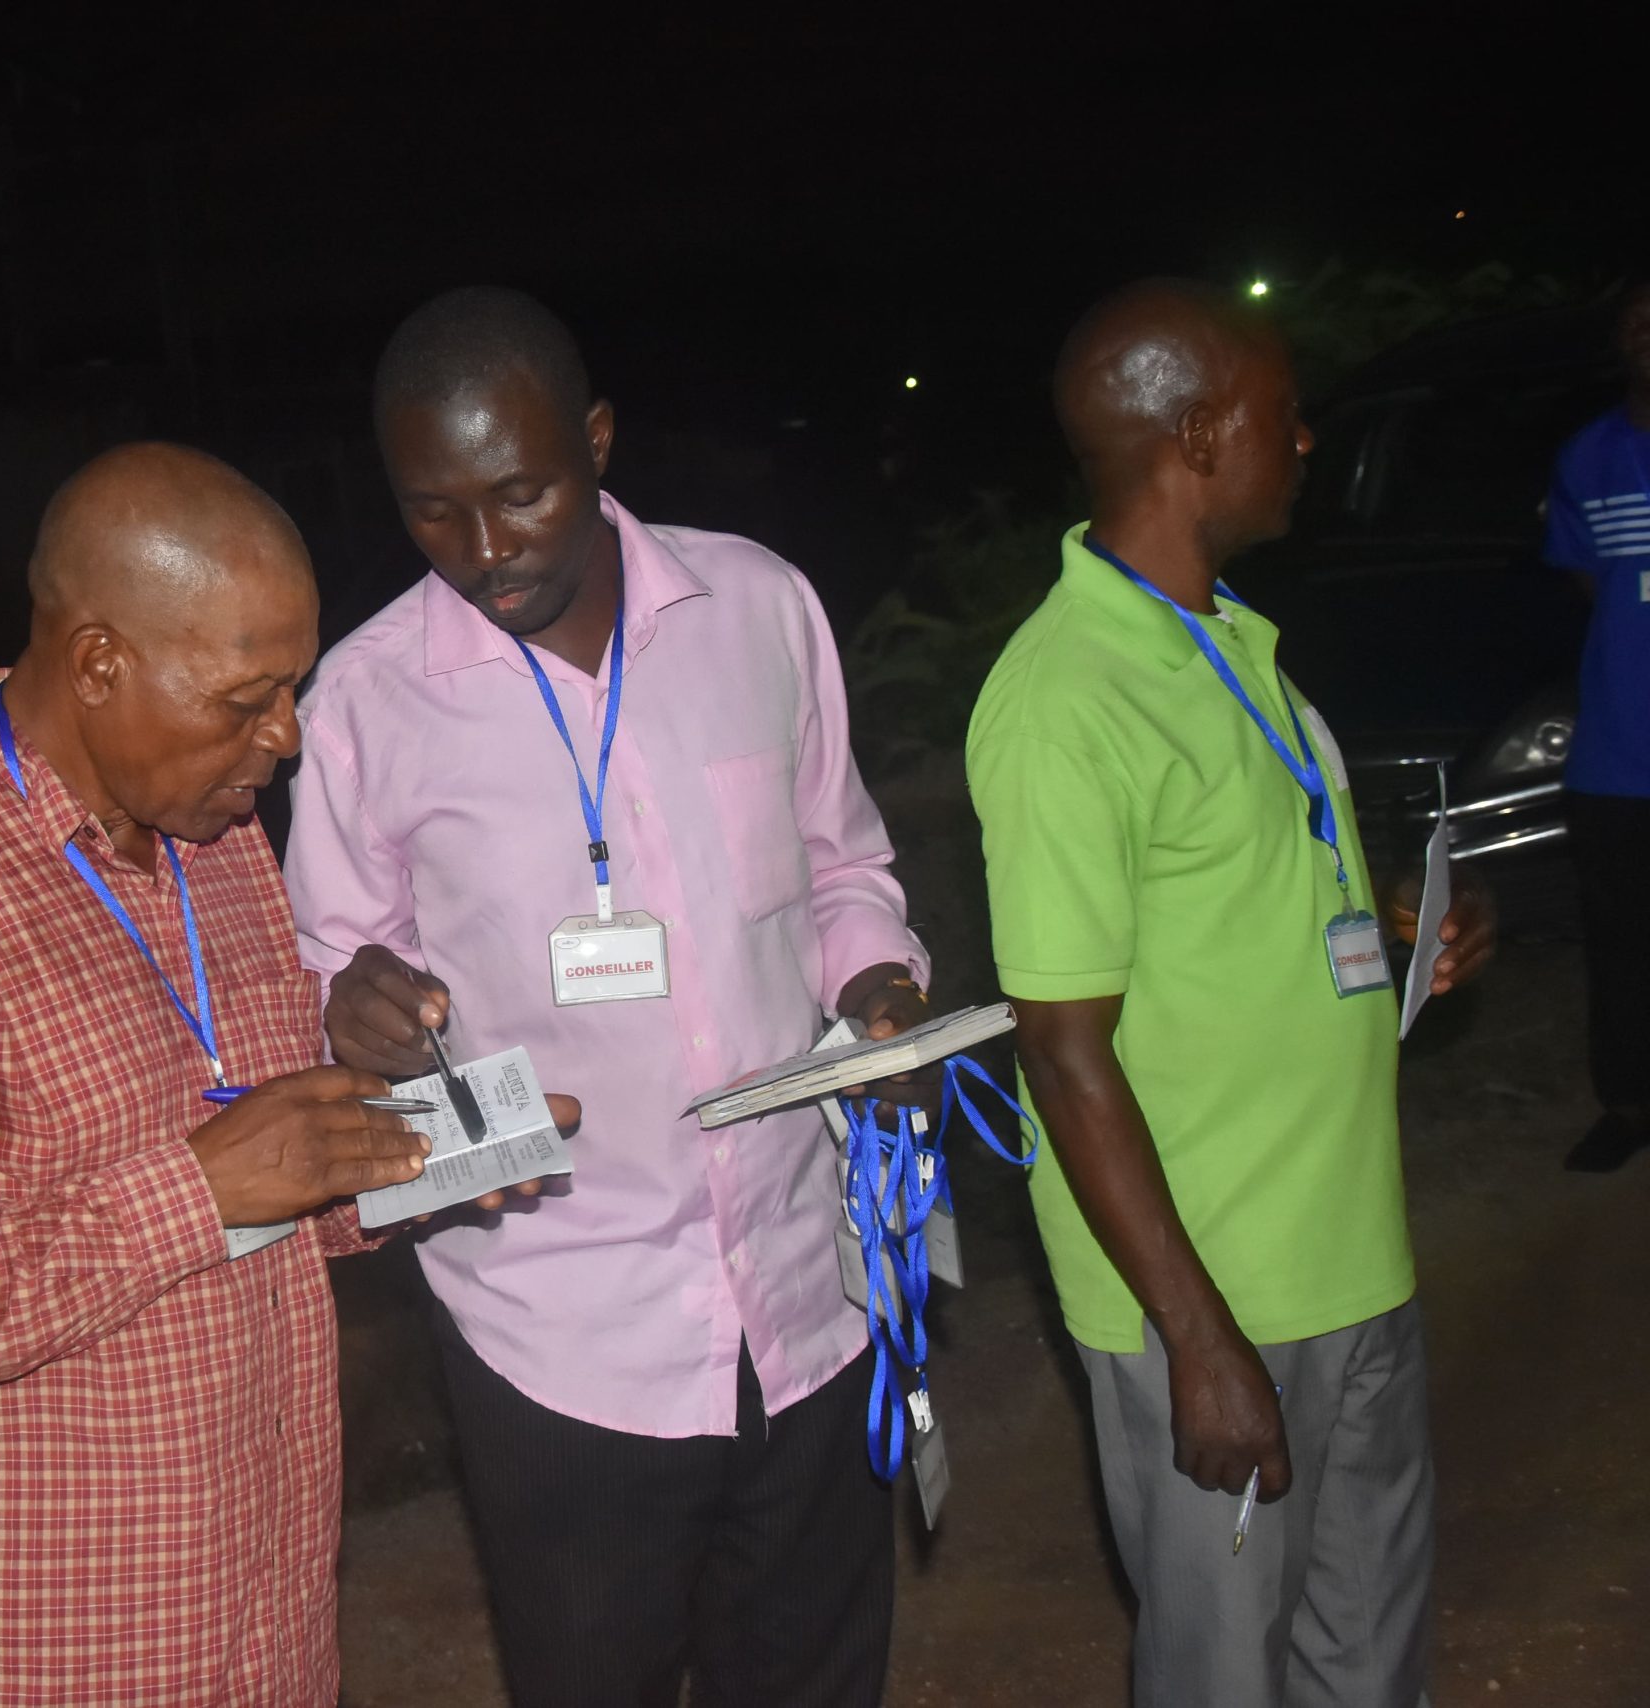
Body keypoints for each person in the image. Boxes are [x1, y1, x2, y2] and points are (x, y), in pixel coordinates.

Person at [0, 443, 572, 1707]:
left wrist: (416, 1159)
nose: (284, 736)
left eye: (292, 689)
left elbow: (261, 1187)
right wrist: (196, 1190)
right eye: (246, 698)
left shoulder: (214, 839)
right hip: (56, 1652)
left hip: (265, 1612)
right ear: (97, 664)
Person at [283, 286, 925, 1708]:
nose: (484, 549)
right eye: (433, 511)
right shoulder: (364, 704)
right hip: (558, 1333)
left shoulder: (757, 608)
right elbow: (330, 964)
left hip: (807, 1291)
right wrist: (349, 1007)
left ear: (597, 439)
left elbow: (842, 864)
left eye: (521, 493)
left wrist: (878, 982)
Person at [966, 280, 1498, 1708]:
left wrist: (1404, 930)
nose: (1306, 439)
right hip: (1213, 1295)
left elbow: (1261, 905)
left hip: (1349, 1259)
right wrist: (1198, 1341)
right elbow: (1062, 1052)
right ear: (1198, 435)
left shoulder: (1238, 644)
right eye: (1284, 412)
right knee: (1223, 1678)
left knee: (1369, 1662)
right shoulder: (1066, 697)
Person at [1543, 275, 1650, 1173]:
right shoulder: (1586, 457)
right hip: (1617, 756)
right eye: (1636, 321)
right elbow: (1585, 578)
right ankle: (1628, 1104)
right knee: (1620, 949)